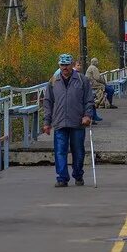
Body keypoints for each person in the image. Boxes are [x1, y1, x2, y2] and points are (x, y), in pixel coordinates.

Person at [43, 53, 94, 187]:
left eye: (67, 64)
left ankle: (78, 175)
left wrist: (87, 115)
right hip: (59, 122)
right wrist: (46, 122)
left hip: (78, 121)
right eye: (62, 65)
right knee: (60, 150)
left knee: (78, 150)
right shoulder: (53, 81)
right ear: (59, 65)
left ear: (72, 65)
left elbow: (89, 100)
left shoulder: (82, 80)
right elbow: (48, 102)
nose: (65, 67)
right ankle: (62, 178)